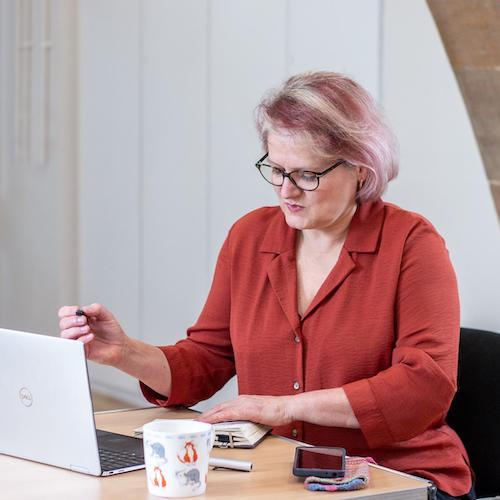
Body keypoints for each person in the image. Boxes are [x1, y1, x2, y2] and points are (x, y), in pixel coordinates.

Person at [59, 72, 474, 499]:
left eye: (306, 175)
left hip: (398, 479)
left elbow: (424, 386)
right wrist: (125, 353)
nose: (286, 190)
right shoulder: (250, 237)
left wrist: (282, 407)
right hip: (280, 475)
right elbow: (206, 360)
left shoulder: (412, 244)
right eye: (275, 169)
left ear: (361, 169)